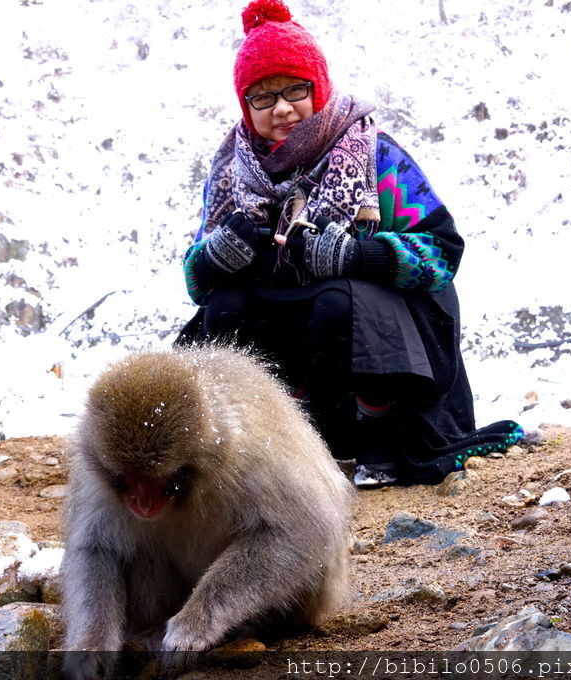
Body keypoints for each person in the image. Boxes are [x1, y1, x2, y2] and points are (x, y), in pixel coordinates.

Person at [177, 0, 523, 487]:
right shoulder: (231, 170)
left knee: (338, 302)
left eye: (295, 89)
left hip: (378, 353)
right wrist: (215, 257)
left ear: (317, 88)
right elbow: (196, 281)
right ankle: (278, 443)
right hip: (295, 353)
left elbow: (443, 253)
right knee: (226, 306)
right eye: (262, 96)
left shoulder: (375, 154)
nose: (281, 108)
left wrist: (357, 255)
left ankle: (377, 439)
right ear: (245, 104)